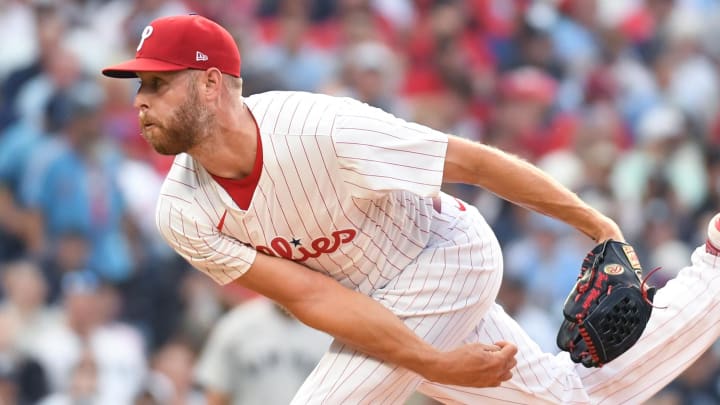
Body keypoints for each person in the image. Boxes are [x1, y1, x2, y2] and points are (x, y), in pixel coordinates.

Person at [102, 13, 720, 404]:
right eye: (139, 86)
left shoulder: (321, 129)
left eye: (157, 82)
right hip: (384, 311)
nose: (140, 100)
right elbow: (314, 299)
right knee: (569, 401)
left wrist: (598, 226)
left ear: (211, 83)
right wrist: (430, 360)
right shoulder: (181, 210)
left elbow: (472, 163)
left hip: (445, 257)